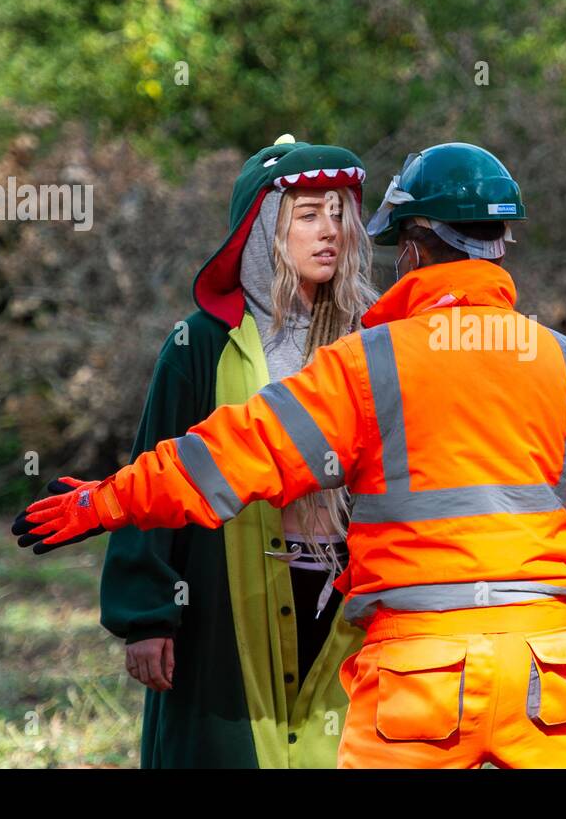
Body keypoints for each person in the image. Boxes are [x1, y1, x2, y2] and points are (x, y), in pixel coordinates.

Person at [14, 142, 566, 769]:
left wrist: (101, 502)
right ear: (500, 244)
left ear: (410, 247)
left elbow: (230, 456)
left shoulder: (365, 366)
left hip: (419, 683)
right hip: (547, 673)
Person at [97, 134, 377, 767]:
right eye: (307, 215)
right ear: (261, 231)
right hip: (224, 602)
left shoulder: (372, 340)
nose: (329, 230)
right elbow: (152, 473)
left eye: (339, 213)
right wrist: (146, 614)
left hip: (346, 606)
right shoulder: (199, 345)